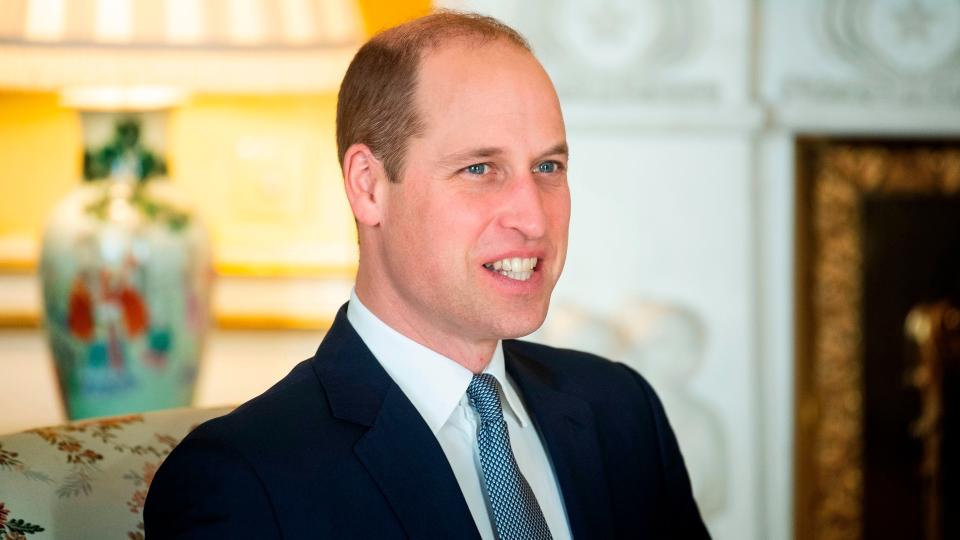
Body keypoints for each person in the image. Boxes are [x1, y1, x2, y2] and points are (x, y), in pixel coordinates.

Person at [144, 10, 709, 539]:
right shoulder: (243, 478)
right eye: (480, 168)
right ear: (368, 186)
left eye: (547, 167)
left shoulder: (621, 410)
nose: (534, 217)